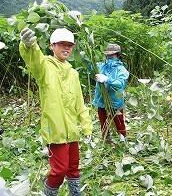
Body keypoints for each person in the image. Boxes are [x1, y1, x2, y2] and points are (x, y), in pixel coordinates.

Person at [19, 27, 93, 195]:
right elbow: (34, 59)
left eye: (70, 45)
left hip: (72, 130)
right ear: (52, 46)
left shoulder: (73, 73)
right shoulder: (45, 67)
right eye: (62, 44)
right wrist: (29, 45)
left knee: (73, 167)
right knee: (59, 170)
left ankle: (75, 192)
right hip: (55, 129)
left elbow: (80, 103)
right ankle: (49, 192)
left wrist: (87, 127)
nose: (66, 48)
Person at [93, 43, 129, 143]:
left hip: (115, 100)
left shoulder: (121, 69)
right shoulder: (101, 66)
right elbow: (91, 67)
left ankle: (122, 138)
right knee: (103, 121)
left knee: (118, 120)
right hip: (101, 99)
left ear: (117, 55)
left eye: (112, 55)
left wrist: (107, 79)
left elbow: (120, 83)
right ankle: (106, 140)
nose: (109, 57)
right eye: (108, 55)